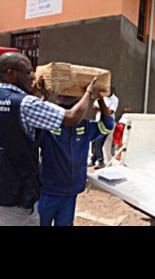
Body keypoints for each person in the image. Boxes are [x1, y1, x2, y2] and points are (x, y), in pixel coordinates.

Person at [0, 52, 99, 226]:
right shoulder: (25, 103)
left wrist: (41, 97)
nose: (33, 77)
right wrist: (89, 92)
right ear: (11, 74)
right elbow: (72, 117)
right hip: (13, 197)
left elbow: (21, 120)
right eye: (28, 72)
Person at [37, 94, 114, 226]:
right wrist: (42, 99)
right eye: (63, 108)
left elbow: (107, 125)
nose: (69, 112)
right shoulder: (48, 128)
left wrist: (100, 99)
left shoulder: (85, 127)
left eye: (73, 107)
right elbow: (30, 122)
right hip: (48, 192)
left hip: (70, 193)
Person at [88, 84, 119, 169]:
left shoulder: (115, 99)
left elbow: (110, 112)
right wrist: (105, 108)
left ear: (112, 91)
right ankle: (93, 160)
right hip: (97, 122)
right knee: (95, 143)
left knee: (98, 142)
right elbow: (94, 107)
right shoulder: (103, 97)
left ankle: (100, 161)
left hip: (106, 124)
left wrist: (101, 107)